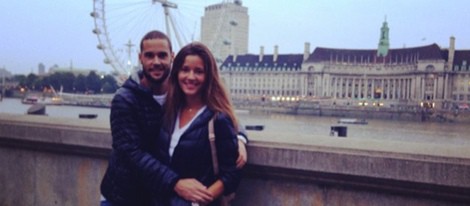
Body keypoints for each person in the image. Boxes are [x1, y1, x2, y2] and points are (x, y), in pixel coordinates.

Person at [100, 30, 248, 206]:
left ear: (172, 57)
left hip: (158, 198)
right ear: (140, 58)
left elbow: (222, 114)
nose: (156, 62)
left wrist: (239, 138)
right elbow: (132, 153)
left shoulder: (177, 95)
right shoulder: (124, 99)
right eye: (149, 56)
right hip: (124, 197)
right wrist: (176, 183)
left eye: (162, 55)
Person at [158, 42, 241, 206]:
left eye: (199, 71)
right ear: (176, 73)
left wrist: (198, 202)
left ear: (209, 76)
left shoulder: (218, 119)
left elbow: (231, 175)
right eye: (185, 70)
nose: (190, 77)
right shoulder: (168, 111)